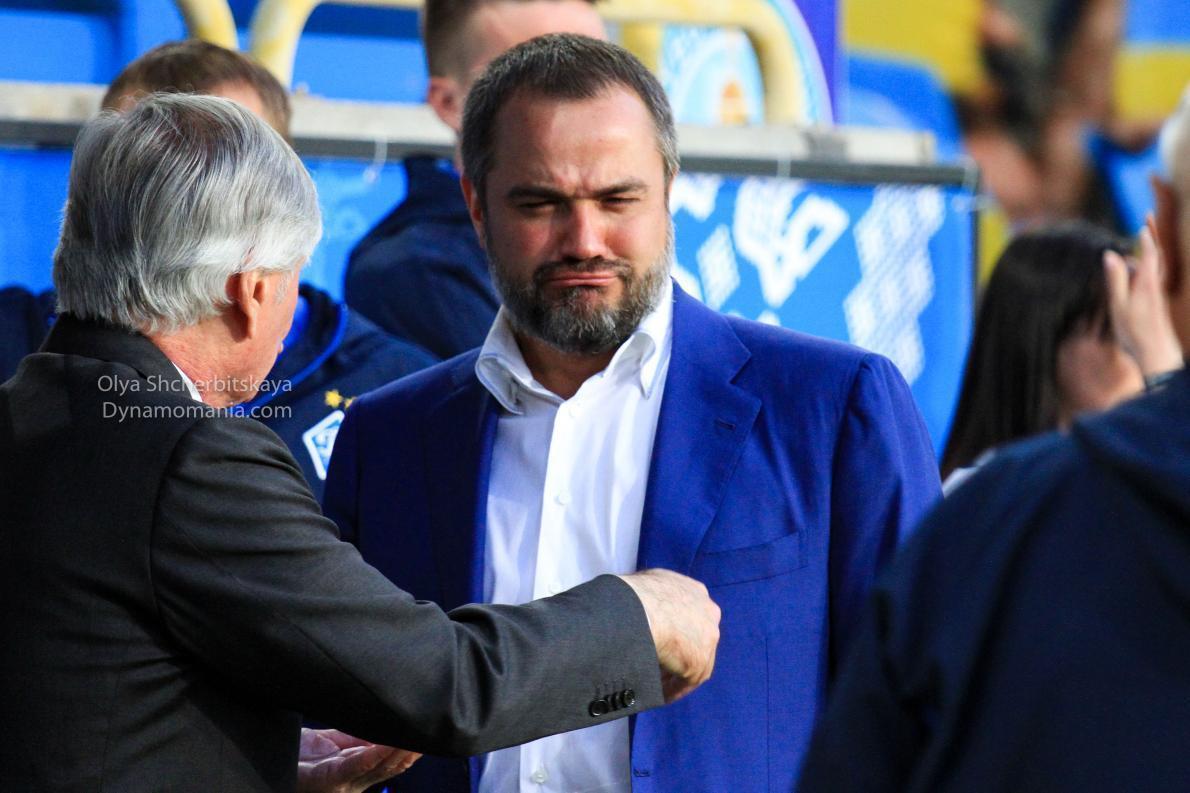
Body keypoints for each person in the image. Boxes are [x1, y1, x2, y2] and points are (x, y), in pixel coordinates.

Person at [0, 93, 722, 792]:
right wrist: (636, 616)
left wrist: (260, 765)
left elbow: (85, 701)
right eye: (293, 281)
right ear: (251, 292)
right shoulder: (193, 459)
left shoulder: (25, 412)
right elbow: (444, 683)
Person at [324, 34, 941, 793]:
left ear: (668, 191)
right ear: (476, 206)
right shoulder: (387, 437)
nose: (584, 241)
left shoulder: (833, 408)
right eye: (541, 203)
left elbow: (923, 712)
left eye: (617, 200)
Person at [795, 87, 1190, 793]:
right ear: (1043, 345)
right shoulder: (988, 518)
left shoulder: (995, 523)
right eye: (1118, 330)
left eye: (1144, 321)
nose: (1138, 348)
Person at [0, 39, 437, 499]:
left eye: (223, 171)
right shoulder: (17, 347)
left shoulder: (398, 389)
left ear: (292, 185)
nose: (180, 212)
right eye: (137, 179)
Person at [344, 0, 605, 359]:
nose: (586, 102)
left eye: (603, 72)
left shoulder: (634, 231)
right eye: (539, 76)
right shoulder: (409, 268)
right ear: (449, 102)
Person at [939, 220, 1182, 488]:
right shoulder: (987, 489)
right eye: (1119, 330)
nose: (1143, 354)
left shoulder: (1132, 473)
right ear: (1043, 341)